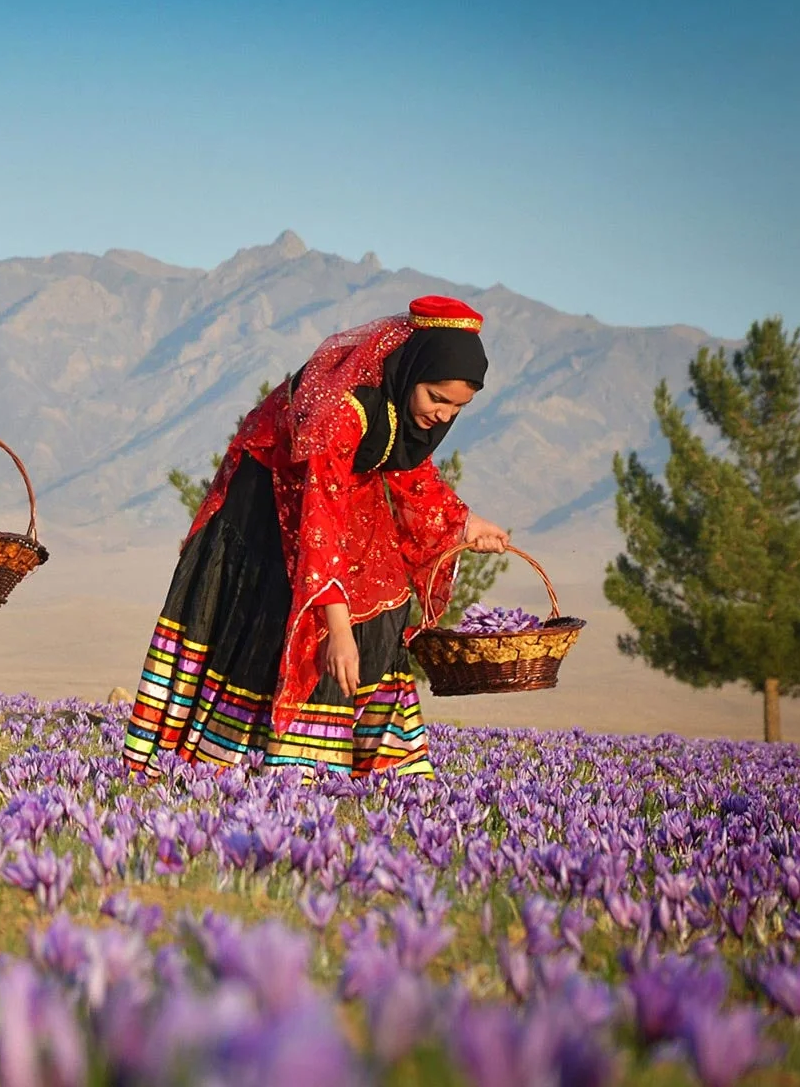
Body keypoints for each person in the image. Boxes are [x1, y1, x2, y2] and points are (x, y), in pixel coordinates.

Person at [121, 295, 510, 779]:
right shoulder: (341, 410)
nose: (444, 416)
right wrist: (338, 629)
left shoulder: (397, 401)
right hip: (268, 498)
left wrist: (466, 523)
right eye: (438, 399)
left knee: (385, 592)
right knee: (284, 614)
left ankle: (386, 764)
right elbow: (319, 523)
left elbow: (407, 469)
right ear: (412, 372)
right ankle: (262, 764)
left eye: (459, 407)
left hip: (334, 486)